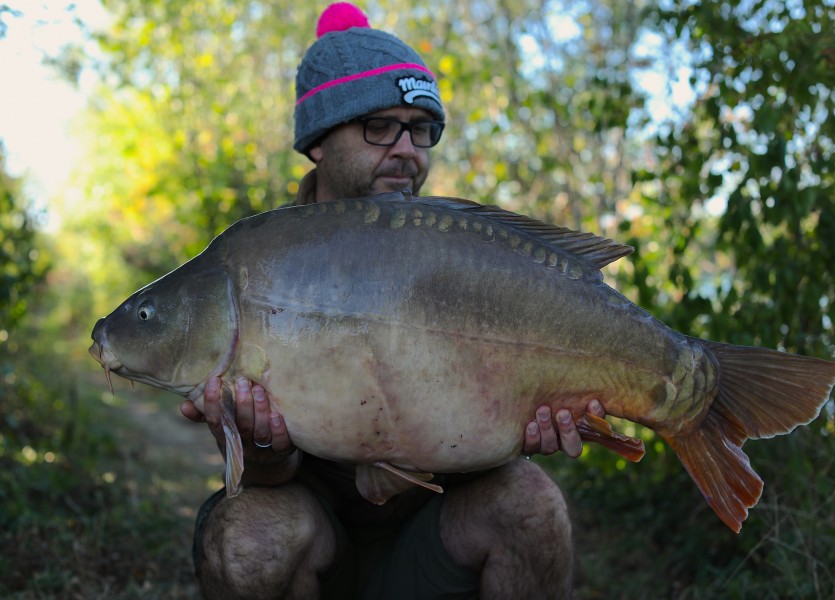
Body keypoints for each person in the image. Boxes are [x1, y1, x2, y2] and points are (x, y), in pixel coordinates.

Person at [180, 3, 604, 598]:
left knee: (533, 502)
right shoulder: (259, 264)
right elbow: (264, 476)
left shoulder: (457, 256)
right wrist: (261, 444)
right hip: (318, 543)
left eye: (422, 128)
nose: (407, 149)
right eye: (379, 125)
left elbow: (491, 435)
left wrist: (530, 422)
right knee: (246, 537)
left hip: (436, 534)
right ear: (320, 143)